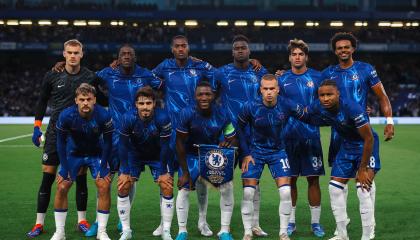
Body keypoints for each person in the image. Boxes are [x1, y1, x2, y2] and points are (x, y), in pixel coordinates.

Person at [28, 39, 105, 237]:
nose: (72, 56)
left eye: (76, 52)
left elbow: (103, 99)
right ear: (64, 54)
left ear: (82, 54)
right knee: (48, 177)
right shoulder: (52, 75)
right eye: (69, 52)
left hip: (80, 136)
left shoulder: (90, 76)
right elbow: (42, 100)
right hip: (55, 134)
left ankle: (82, 220)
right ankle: (39, 223)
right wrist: (37, 127)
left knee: (80, 178)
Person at [322, 32, 394, 239]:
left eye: (347, 47)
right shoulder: (329, 73)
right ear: (335, 51)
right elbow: (310, 81)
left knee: (363, 184)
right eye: (339, 48)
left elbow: (382, 95)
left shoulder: (365, 69)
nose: (343, 50)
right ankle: (341, 229)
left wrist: (389, 121)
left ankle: (368, 231)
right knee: (338, 184)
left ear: (353, 48)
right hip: (339, 135)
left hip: (362, 132)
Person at [295, 79, 380, 240]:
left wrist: (362, 169)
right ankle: (342, 235)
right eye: (322, 95)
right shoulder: (317, 105)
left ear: (338, 94)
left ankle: (367, 236)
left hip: (366, 144)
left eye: (329, 94)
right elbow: (306, 114)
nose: (325, 98)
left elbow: (369, 139)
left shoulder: (352, 108)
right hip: (347, 145)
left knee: (363, 189)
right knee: (334, 188)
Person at [152, 35, 217, 237]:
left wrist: (204, 62)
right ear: (172, 49)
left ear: (189, 48)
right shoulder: (165, 66)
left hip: (197, 130)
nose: (181, 49)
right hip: (172, 131)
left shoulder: (198, 68)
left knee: (201, 179)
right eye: (177, 46)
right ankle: (164, 223)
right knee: (168, 177)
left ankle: (202, 221)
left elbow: (218, 75)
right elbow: (145, 77)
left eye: (184, 46)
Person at [213, 34, 269, 237]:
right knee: (225, 182)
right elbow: (209, 99)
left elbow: (270, 93)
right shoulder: (221, 73)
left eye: (243, 47)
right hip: (228, 136)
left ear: (249, 51)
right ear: (232, 51)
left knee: (253, 182)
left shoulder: (260, 72)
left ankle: (255, 224)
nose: (240, 50)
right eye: (236, 48)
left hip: (254, 136)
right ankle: (224, 228)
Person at [50, 83, 113, 240]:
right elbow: (60, 143)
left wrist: (104, 165)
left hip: (95, 154)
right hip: (74, 154)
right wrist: (64, 168)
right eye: (82, 99)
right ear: (76, 100)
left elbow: (108, 142)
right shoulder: (66, 115)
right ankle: (60, 232)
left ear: (94, 100)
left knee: (104, 185)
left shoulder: (103, 115)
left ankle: (102, 231)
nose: (85, 102)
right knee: (62, 186)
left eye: (89, 99)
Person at [175, 82, 237, 240]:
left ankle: (223, 230)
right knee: (184, 188)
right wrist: (185, 173)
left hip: (212, 154)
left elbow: (233, 138)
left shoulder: (223, 113)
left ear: (213, 96)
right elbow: (179, 143)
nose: (204, 97)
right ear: (195, 97)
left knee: (227, 187)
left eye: (207, 94)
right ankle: (182, 230)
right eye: (200, 94)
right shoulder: (186, 113)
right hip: (191, 155)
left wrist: (228, 143)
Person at [277, 39, 325, 237]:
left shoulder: (317, 76)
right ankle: (291, 222)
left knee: (313, 180)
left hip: (311, 136)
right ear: (289, 57)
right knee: (291, 181)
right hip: (287, 137)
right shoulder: (281, 79)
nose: (297, 57)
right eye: (294, 54)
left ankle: (315, 223)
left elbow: (329, 98)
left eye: (300, 54)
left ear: (306, 57)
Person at [237, 74, 294, 240]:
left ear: (278, 89)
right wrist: (246, 153)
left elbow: (307, 115)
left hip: (278, 152)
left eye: (272, 89)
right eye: (265, 89)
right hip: (255, 152)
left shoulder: (286, 105)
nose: (269, 92)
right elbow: (239, 128)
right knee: (248, 192)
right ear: (260, 90)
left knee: (285, 192)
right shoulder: (250, 106)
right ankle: (248, 231)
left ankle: (283, 232)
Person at [117, 86, 174, 240]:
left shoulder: (163, 118)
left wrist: (163, 171)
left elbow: (165, 146)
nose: (145, 107)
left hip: (157, 155)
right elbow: (122, 145)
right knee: (123, 186)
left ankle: (166, 230)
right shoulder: (128, 117)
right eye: (141, 104)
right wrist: (124, 171)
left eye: (148, 103)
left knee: (167, 186)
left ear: (154, 103)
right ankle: (126, 230)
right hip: (134, 154)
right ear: (136, 104)